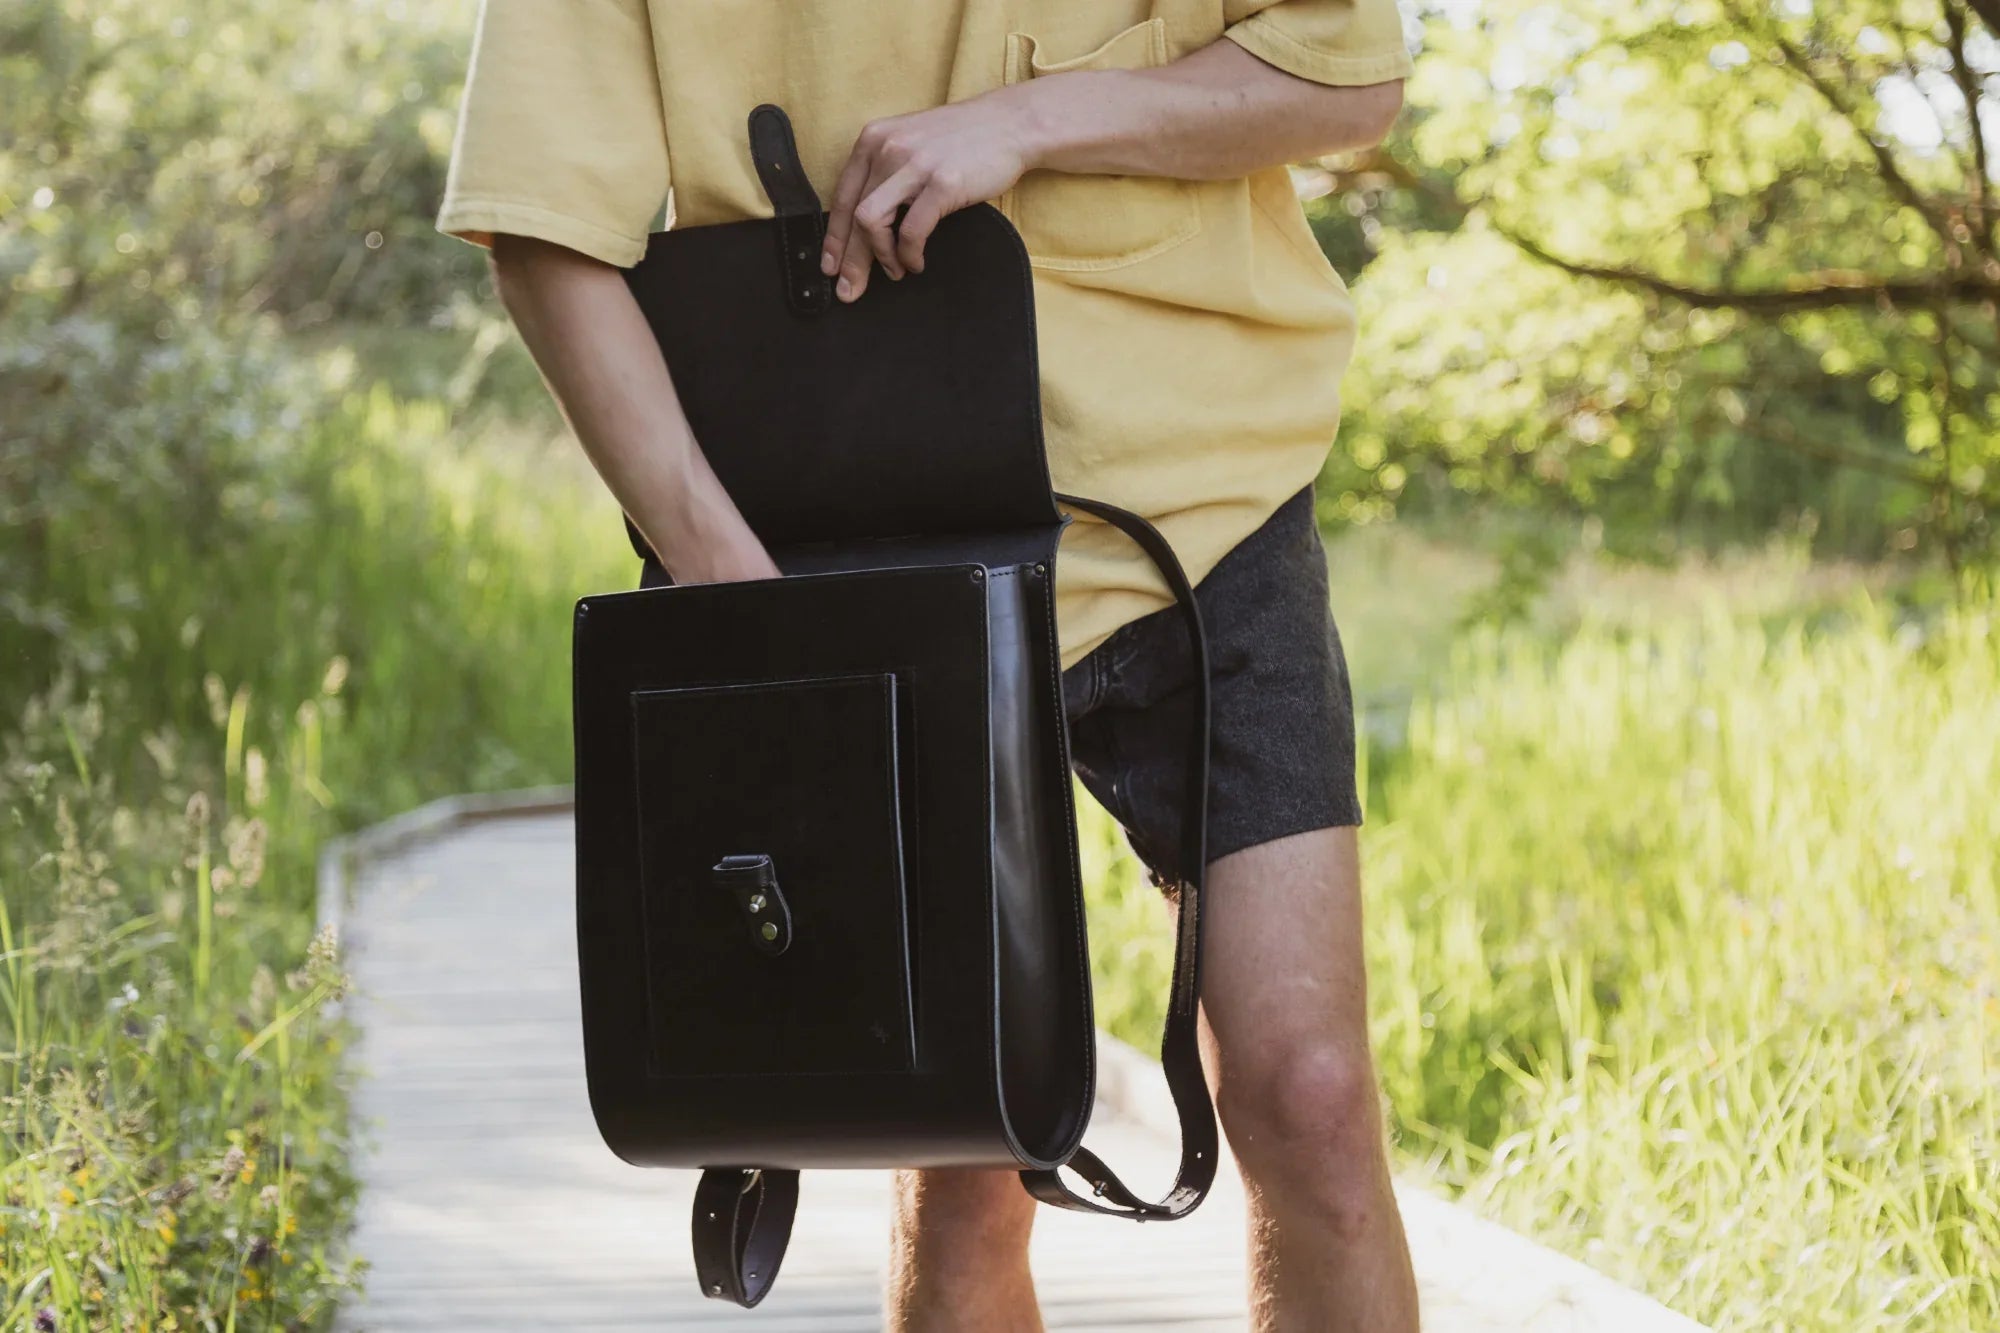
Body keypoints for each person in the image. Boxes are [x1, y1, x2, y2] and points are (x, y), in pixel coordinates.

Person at [437, 4, 1416, 1329]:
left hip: (1211, 511)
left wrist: (1020, 121)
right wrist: (744, 603)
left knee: (1309, 1093)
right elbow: (543, 231)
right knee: (963, 1161)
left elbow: (1345, 77)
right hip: (855, 548)